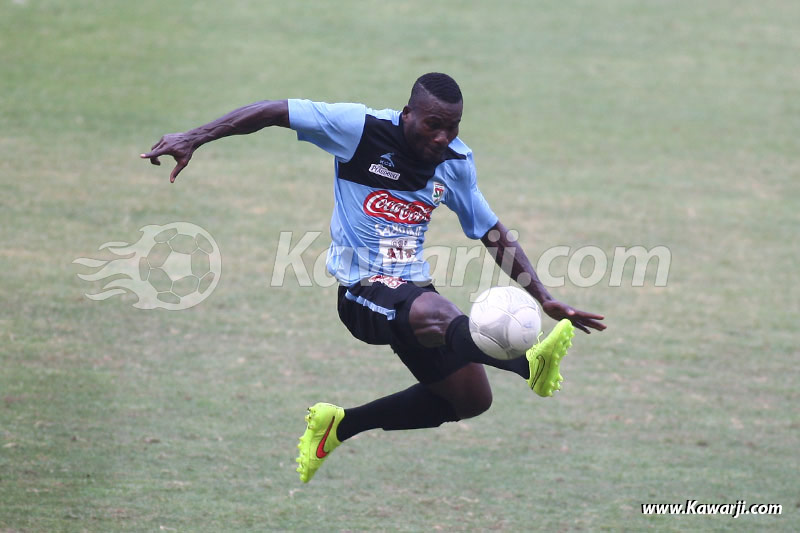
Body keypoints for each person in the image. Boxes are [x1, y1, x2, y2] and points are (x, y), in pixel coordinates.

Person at [142, 72, 606, 483]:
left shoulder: (456, 163)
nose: (444, 137)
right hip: (362, 294)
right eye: (434, 124)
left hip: (412, 290)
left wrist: (542, 297)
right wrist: (195, 136)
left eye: (453, 127)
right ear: (408, 114)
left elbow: (490, 231)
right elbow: (272, 112)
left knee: (469, 400)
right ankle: (527, 364)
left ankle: (338, 426)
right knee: (438, 312)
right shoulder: (359, 130)